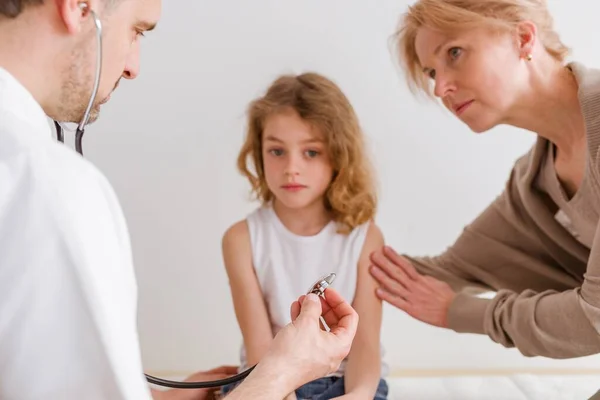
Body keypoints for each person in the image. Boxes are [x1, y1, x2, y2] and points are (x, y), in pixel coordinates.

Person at [0, 0, 359, 399]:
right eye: (137, 30)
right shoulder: (48, 185)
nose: (134, 66)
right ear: (79, 7)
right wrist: (283, 371)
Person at [369, 0, 600, 358]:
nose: (440, 87)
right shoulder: (532, 184)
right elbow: (439, 273)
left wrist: (458, 311)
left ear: (523, 38)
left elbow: (594, 319)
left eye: (455, 53)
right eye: (431, 72)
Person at [220, 72, 388, 399]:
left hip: (344, 382)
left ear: (338, 155)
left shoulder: (365, 239)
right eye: (277, 151)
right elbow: (260, 352)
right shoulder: (240, 240)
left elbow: (366, 347)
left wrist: (356, 396)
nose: (291, 168)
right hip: (267, 382)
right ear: (259, 152)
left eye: (311, 152)